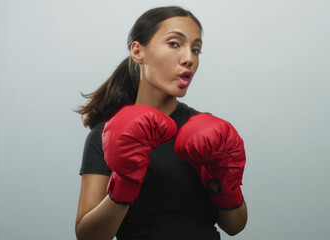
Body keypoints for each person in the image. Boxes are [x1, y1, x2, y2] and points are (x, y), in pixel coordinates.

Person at [75, 6, 248, 240]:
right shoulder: (104, 135)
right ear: (138, 51)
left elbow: (235, 226)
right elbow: (88, 236)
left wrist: (223, 180)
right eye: (174, 44)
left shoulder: (210, 131)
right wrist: (124, 184)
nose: (189, 59)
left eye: (196, 50)